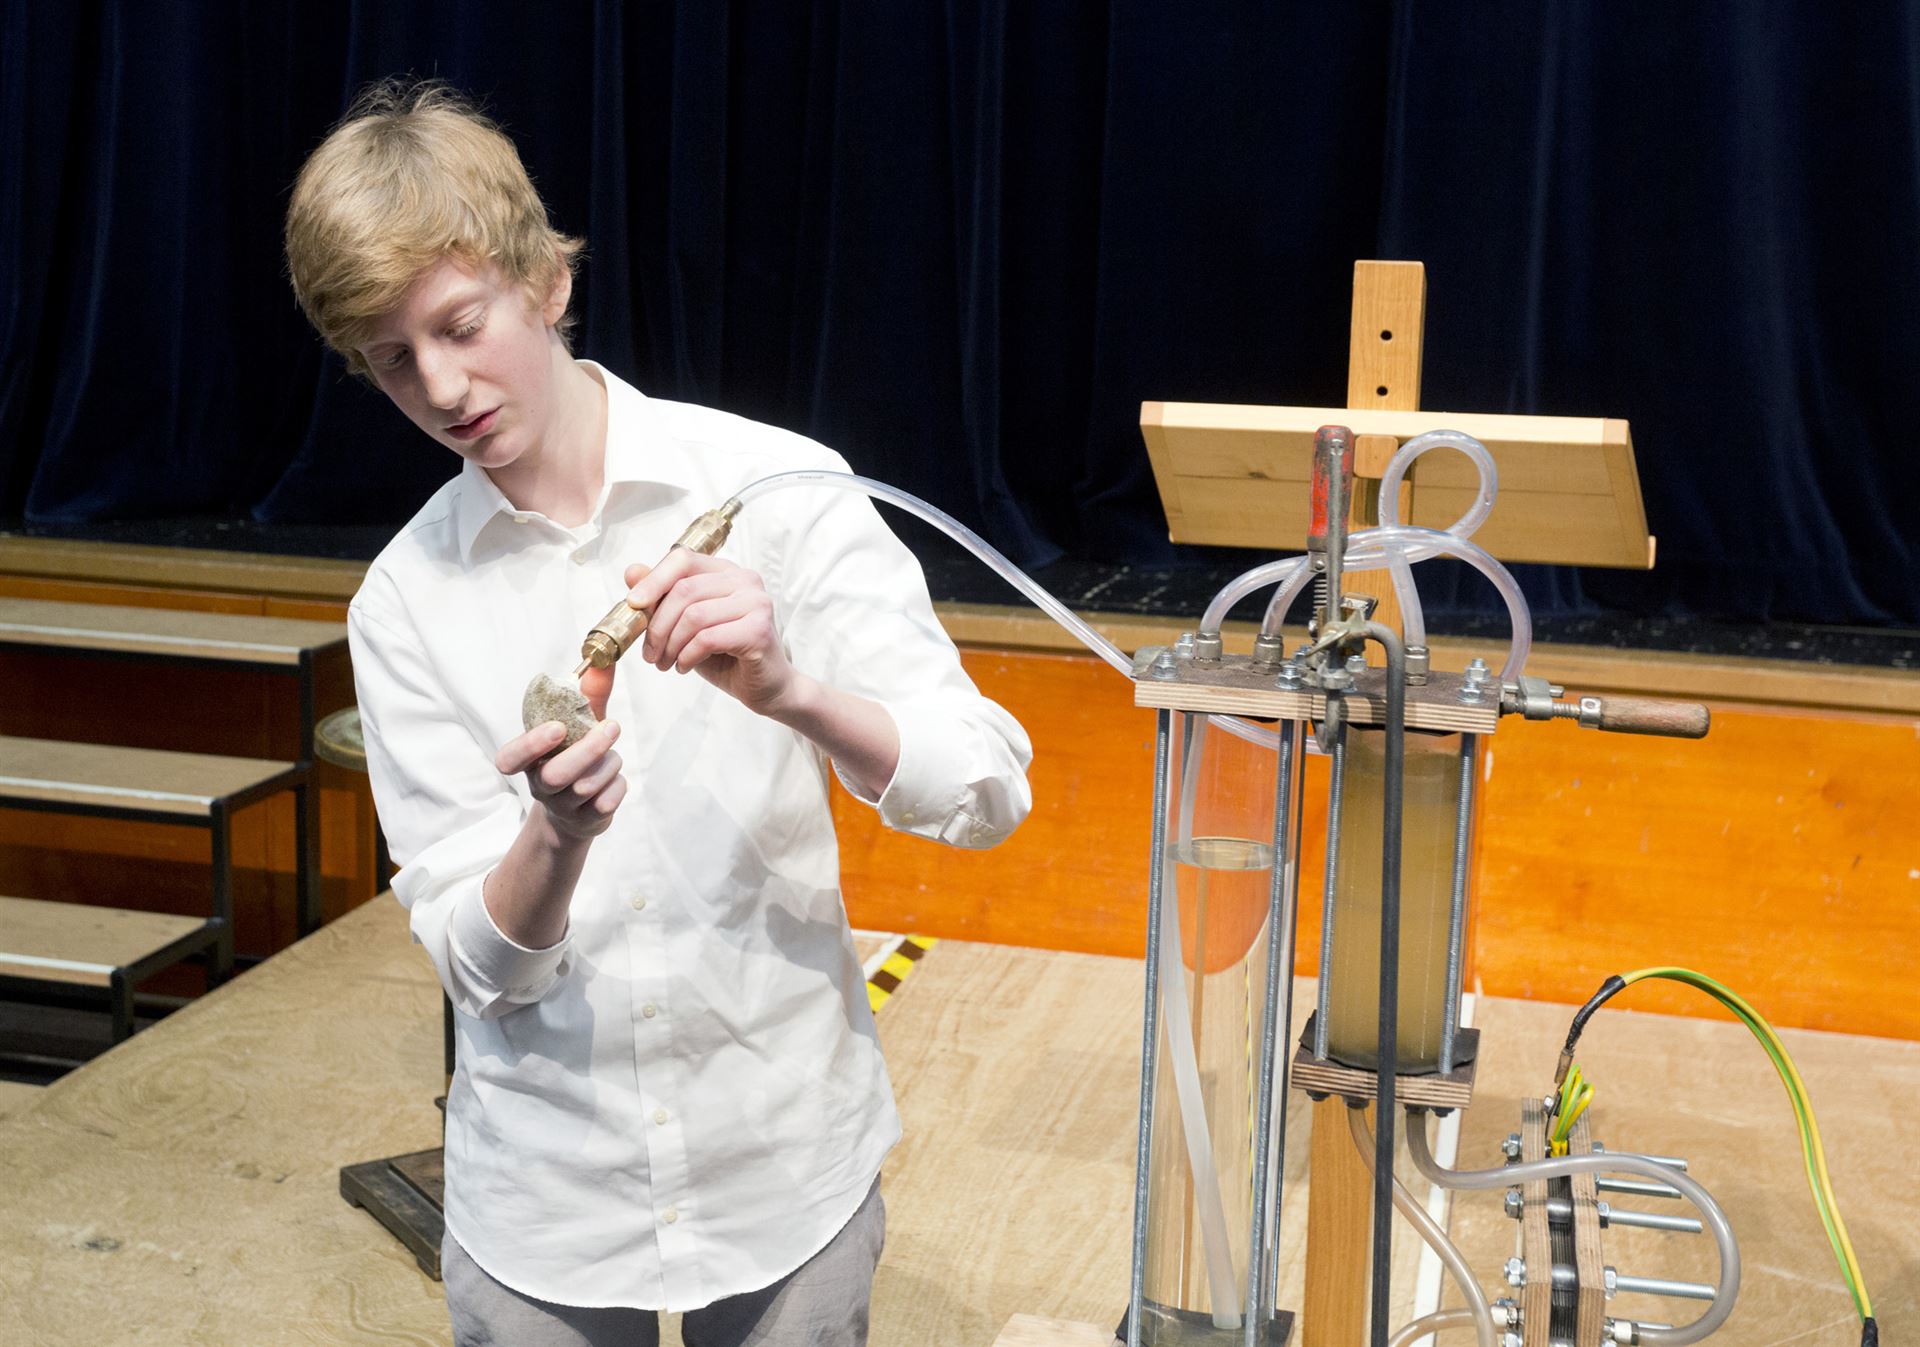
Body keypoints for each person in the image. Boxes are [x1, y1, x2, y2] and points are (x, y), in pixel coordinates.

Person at [284, 80, 1032, 1346]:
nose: (443, 387)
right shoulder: (404, 602)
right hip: (548, 1205)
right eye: (394, 360)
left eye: (460, 326)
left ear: (547, 281)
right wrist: (554, 836)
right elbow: (479, 971)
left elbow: (986, 789)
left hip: (784, 1159)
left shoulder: (774, 487)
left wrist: (792, 692)